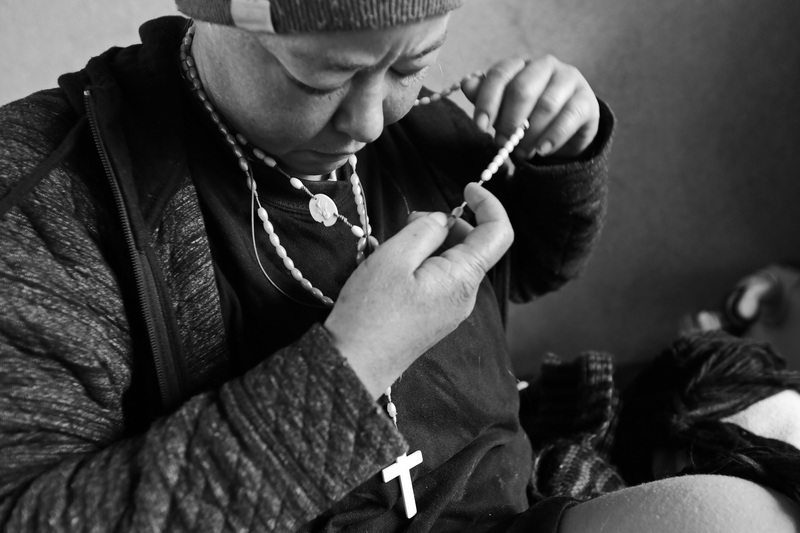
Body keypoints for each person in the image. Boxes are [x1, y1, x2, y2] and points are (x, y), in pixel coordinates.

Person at [0, 1, 796, 531]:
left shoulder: (410, 132)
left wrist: (562, 149)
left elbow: (532, 270)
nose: (370, 119)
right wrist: (351, 365)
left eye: (411, 67)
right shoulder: (47, 195)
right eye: (322, 77)